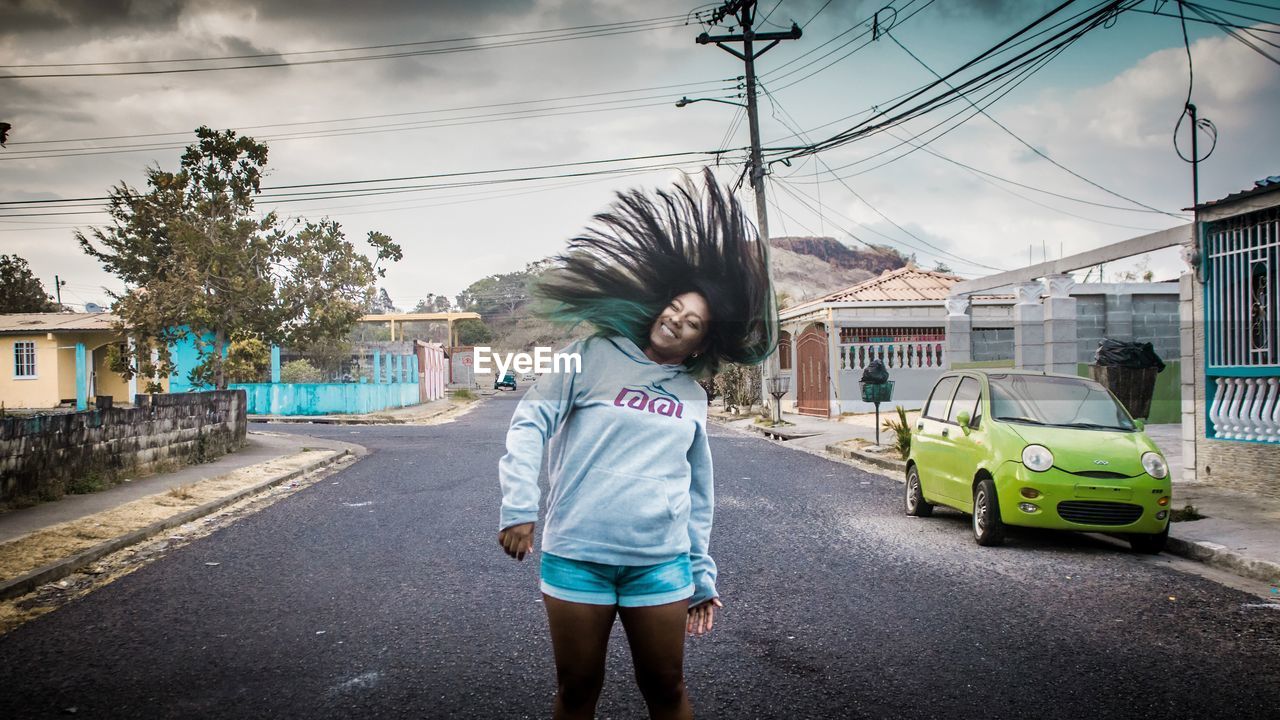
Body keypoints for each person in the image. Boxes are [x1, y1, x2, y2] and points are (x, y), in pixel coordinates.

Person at [497, 169, 777, 720]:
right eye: (676, 307)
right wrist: (518, 506)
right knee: (577, 689)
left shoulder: (690, 395)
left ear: (704, 338)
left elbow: (699, 495)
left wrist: (701, 573)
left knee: (666, 690)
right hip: (578, 555)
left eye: (693, 321)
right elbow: (531, 421)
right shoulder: (591, 354)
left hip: (660, 565)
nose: (677, 320)